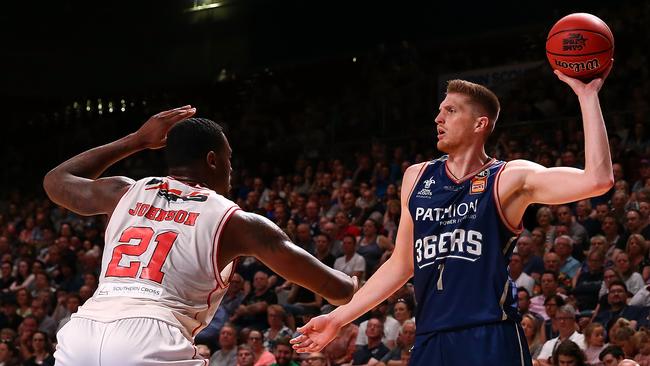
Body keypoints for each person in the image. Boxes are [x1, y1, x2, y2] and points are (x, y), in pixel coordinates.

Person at [292, 71, 614, 365]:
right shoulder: (417, 178)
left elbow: (597, 180)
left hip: (489, 333)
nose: (437, 118)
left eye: (450, 111)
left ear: (480, 124)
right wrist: (338, 318)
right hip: (431, 336)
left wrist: (588, 96)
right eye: (440, 110)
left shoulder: (509, 178)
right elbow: (401, 265)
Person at [44, 108, 357, 365]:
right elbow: (337, 290)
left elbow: (56, 181)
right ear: (212, 160)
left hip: (81, 334)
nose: (231, 170)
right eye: (228, 159)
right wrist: (356, 285)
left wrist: (137, 140)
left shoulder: (123, 192)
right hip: (152, 337)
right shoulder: (237, 222)